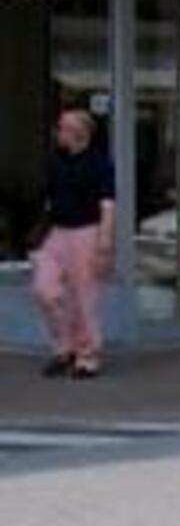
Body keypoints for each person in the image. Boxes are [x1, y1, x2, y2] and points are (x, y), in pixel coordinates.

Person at [32, 106, 114, 379]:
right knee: (45, 290)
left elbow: (107, 206)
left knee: (84, 298)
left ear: (79, 133)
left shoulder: (99, 164)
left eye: (64, 128)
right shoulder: (54, 160)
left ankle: (86, 356)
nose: (58, 132)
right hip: (57, 232)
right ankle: (64, 346)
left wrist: (104, 243)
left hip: (86, 233)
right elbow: (48, 199)